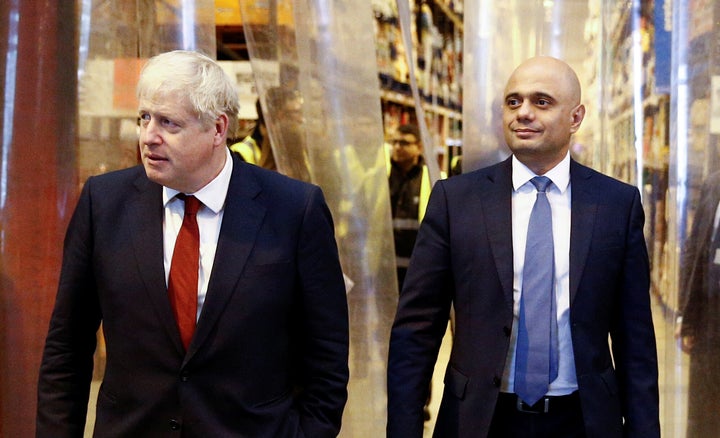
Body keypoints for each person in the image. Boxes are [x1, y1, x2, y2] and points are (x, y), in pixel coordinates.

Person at [36, 50, 349, 437]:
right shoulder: (104, 203)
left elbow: (326, 354)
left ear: (218, 129)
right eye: (144, 118)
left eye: (169, 123)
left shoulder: (293, 210)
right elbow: (67, 346)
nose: (149, 136)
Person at [387, 56, 659, 437]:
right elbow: (417, 328)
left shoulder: (616, 205)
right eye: (513, 102)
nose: (523, 113)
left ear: (576, 118)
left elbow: (635, 338)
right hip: (479, 420)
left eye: (541, 102)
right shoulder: (456, 200)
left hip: (583, 420)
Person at [677, 170, 720, 437]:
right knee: (704, 418)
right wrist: (687, 318)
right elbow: (695, 249)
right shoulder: (714, 182)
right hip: (710, 321)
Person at [387, 123, 432, 290]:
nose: (398, 147)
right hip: (386, 271)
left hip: (419, 273)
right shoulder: (383, 177)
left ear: (419, 147)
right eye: (395, 142)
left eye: (404, 143)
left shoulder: (433, 179)